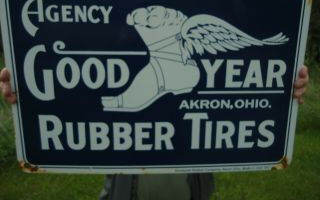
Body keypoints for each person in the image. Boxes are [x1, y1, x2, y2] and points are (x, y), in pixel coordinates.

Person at [0, 66, 310, 200]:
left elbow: (244, 93)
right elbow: (78, 97)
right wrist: (27, 91)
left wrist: (284, 85)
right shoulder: (127, 75)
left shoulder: (195, 79)